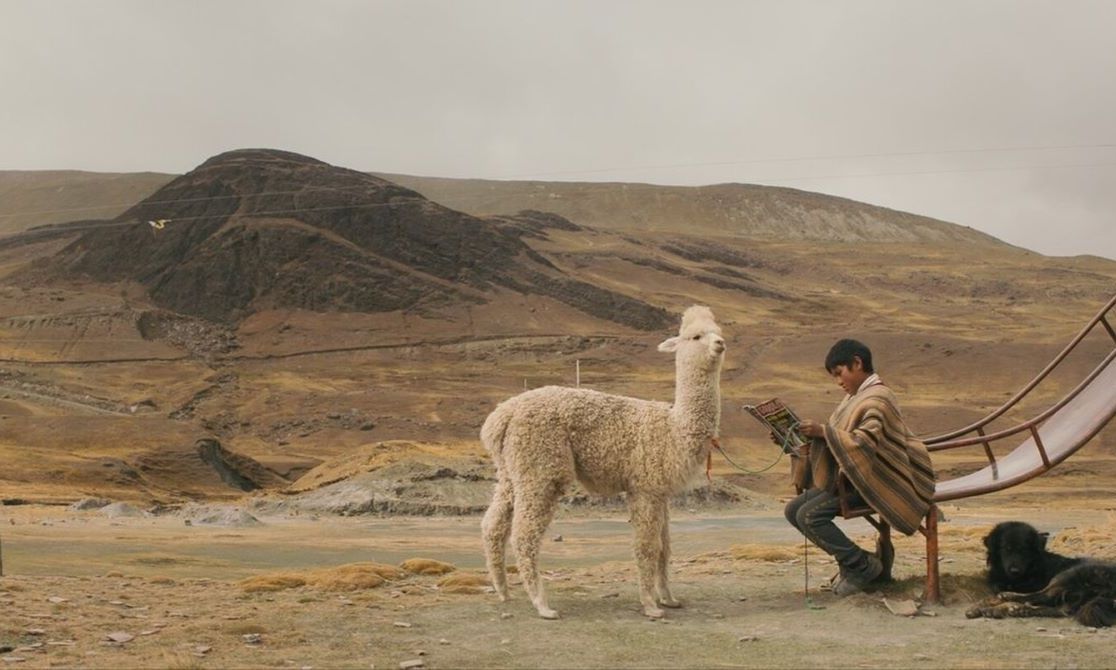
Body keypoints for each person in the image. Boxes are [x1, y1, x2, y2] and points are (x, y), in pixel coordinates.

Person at [783, 338, 935, 596]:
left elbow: (864, 443)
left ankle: (861, 567)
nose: (838, 382)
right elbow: (839, 442)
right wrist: (797, 440)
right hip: (852, 476)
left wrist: (823, 431)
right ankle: (859, 562)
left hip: (877, 479)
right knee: (793, 509)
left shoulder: (879, 397)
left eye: (840, 373)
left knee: (809, 515)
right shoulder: (854, 398)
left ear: (857, 363)